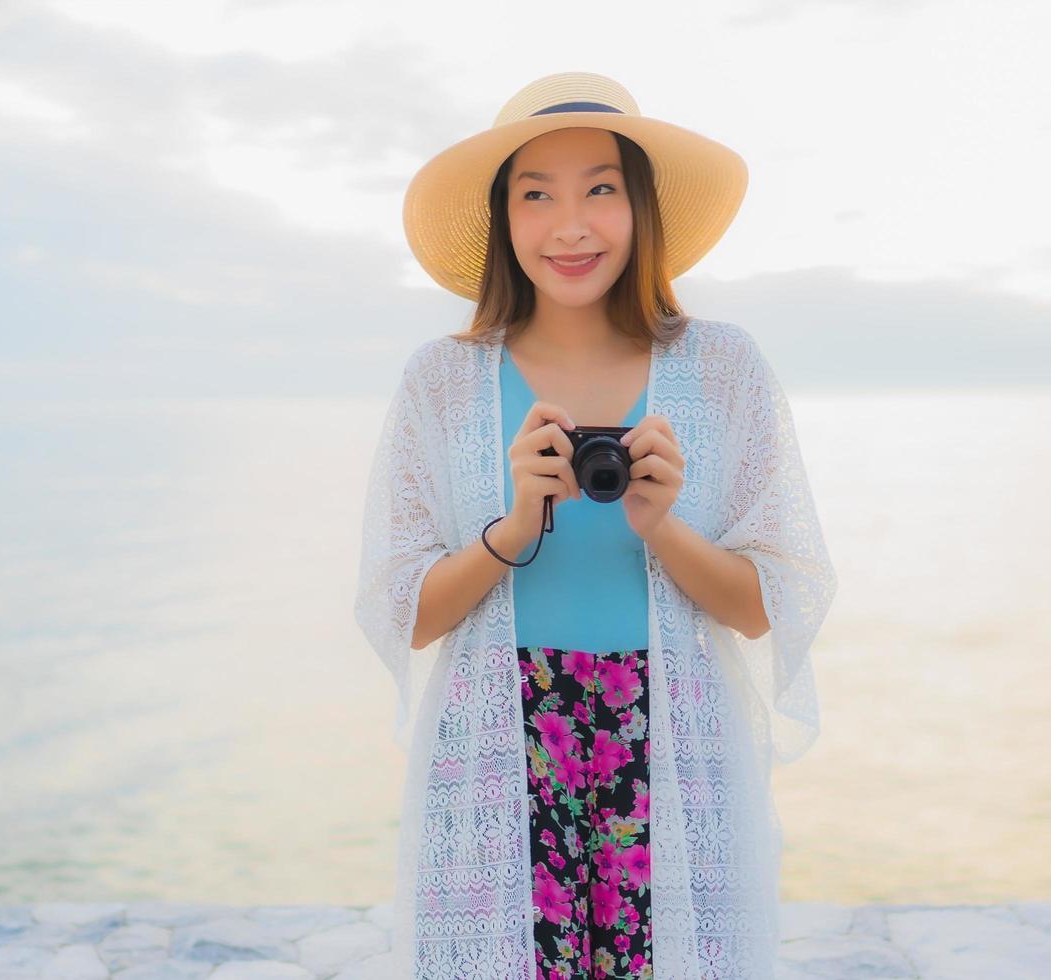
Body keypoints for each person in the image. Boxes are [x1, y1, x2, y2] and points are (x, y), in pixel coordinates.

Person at [355, 72, 838, 980]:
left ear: (640, 208)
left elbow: (767, 604)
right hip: (497, 737)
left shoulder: (723, 366)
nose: (569, 226)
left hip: (676, 736)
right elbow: (404, 613)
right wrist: (511, 528)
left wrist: (662, 525)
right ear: (503, 219)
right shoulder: (442, 381)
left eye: (600, 189)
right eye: (536, 195)